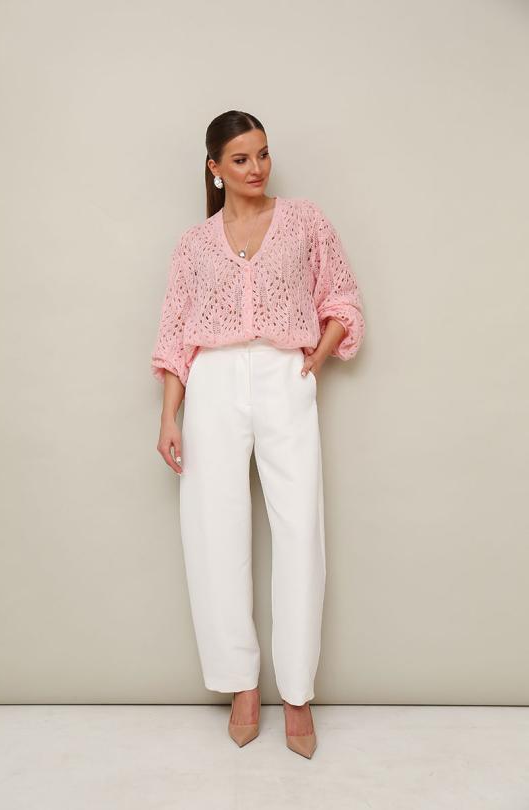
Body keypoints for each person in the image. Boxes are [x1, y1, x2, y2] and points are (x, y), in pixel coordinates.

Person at [151, 110, 365, 759]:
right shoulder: (194, 243)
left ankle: (296, 693)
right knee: (213, 529)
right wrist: (169, 415)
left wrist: (317, 355)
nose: (257, 168)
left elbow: (342, 298)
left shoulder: (303, 220)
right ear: (214, 168)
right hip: (213, 381)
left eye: (263, 154)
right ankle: (242, 686)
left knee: (299, 526)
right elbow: (175, 333)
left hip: (283, 374)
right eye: (241, 159)